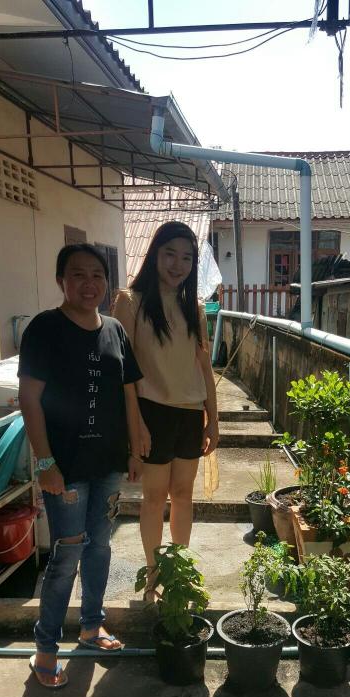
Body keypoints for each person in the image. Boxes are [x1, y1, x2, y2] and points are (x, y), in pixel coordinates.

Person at [18, 243, 143, 688]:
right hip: (65, 467)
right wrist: (45, 462)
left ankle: (91, 625)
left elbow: (128, 392)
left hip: (107, 463)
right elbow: (29, 398)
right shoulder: (44, 328)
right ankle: (46, 649)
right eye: (78, 275)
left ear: (107, 283)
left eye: (97, 275)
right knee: (66, 555)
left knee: (100, 547)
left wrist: (134, 449)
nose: (89, 283)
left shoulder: (114, 330)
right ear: (61, 281)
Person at [113, 221, 219, 601]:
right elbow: (123, 373)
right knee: (154, 498)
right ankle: (153, 576)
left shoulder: (195, 309)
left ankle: (179, 574)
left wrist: (213, 420)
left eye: (187, 258)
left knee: (184, 495)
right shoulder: (130, 302)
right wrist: (135, 425)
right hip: (152, 413)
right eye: (170, 254)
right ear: (155, 254)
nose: (178, 265)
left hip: (190, 415)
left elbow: (204, 367)